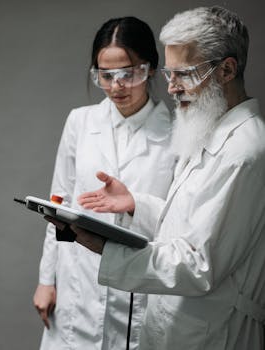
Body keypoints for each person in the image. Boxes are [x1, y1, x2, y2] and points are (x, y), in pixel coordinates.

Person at [71, 6, 265, 350]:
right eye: (169, 74)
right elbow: (192, 227)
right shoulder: (212, 132)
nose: (172, 88)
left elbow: (199, 264)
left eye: (184, 74)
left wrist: (107, 249)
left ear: (227, 70)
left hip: (214, 332)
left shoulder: (244, 153)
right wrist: (137, 204)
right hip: (181, 325)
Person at [34, 17, 176, 350]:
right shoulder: (80, 122)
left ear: (151, 68)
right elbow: (60, 204)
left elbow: (178, 222)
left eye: (128, 73)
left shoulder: (176, 133)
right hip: (76, 285)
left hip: (137, 291)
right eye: (105, 76)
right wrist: (46, 280)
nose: (116, 86)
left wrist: (135, 204)